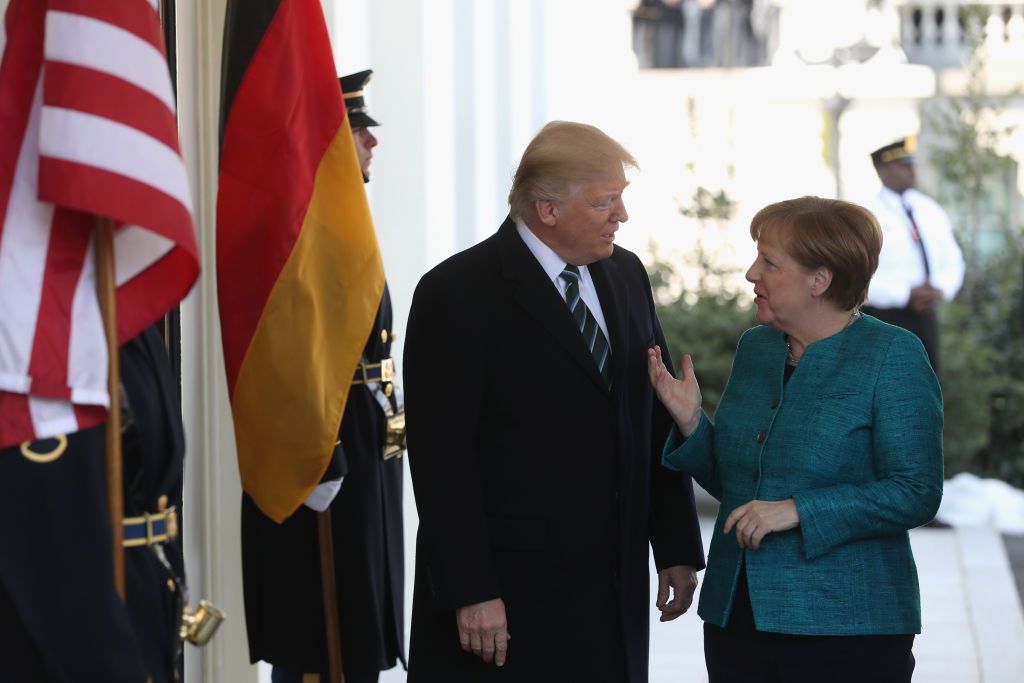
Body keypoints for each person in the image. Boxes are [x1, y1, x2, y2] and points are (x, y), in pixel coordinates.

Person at [403, 120, 705, 683]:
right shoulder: (456, 293)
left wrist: (676, 545)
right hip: (509, 602)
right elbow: (443, 462)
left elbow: (653, 411)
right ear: (547, 210)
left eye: (621, 198)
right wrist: (472, 590)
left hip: (611, 592)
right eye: (605, 202)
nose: (622, 216)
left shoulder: (625, 273)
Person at [648, 196, 944, 683]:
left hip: (848, 627)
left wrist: (798, 510)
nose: (750, 273)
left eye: (769, 261)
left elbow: (916, 492)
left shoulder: (893, 355)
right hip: (736, 616)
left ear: (819, 280)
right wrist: (691, 422)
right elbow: (740, 483)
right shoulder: (756, 348)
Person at [241, 69, 406, 683]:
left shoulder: (340, 218)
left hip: (367, 429)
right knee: (323, 624)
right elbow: (288, 354)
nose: (372, 143)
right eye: (358, 130)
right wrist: (321, 456)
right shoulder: (301, 227)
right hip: (332, 442)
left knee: (363, 613)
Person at [0, 326, 191, 683]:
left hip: (141, 605)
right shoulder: (32, 311)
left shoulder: (116, 307)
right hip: (76, 637)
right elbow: (49, 535)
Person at [863, 136, 965, 371]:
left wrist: (939, 288)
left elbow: (953, 260)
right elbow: (858, 273)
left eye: (912, 164)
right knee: (885, 383)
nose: (912, 170)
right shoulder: (867, 213)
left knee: (926, 383)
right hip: (882, 317)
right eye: (903, 165)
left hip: (925, 315)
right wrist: (904, 294)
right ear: (883, 171)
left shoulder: (929, 209)